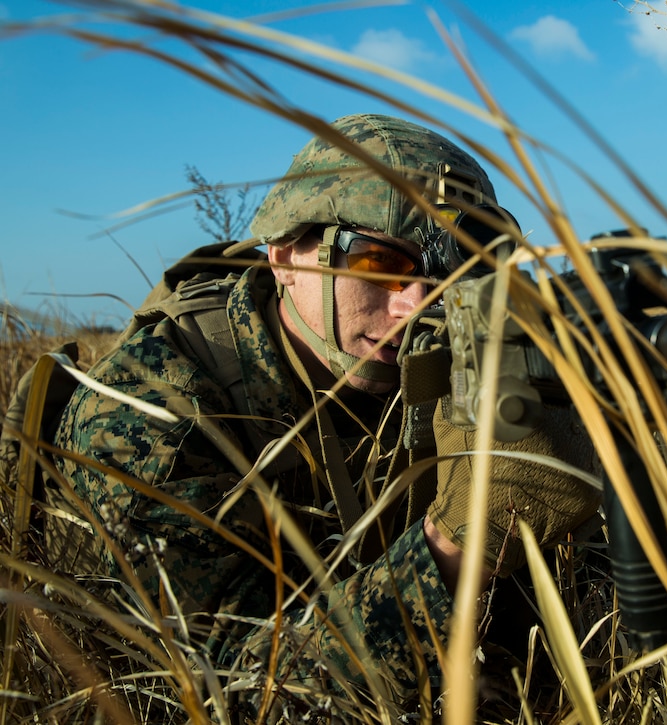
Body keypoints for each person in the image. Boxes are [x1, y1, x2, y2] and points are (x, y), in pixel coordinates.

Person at [30, 114, 600, 718]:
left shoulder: (444, 368)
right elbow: (225, 697)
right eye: (378, 262)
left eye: (454, 274)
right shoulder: (146, 410)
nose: (417, 303)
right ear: (282, 257)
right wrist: (460, 546)